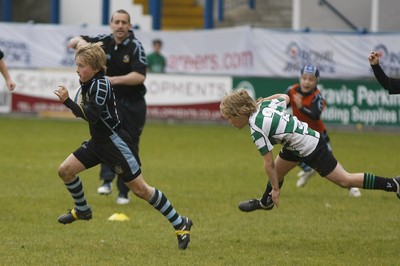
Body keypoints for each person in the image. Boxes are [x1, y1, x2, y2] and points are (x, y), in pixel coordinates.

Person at [53, 43, 192, 250]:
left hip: (115, 143)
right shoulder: (87, 81)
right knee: (65, 170)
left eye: (81, 65)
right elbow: (87, 112)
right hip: (98, 142)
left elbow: (91, 115)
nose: (77, 69)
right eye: (77, 65)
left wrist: (67, 102)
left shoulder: (100, 84)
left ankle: (180, 222)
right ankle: (82, 210)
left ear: (95, 66)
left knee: (141, 190)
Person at [219, 89, 400, 212]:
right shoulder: (264, 107)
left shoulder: (256, 128)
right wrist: (261, 101)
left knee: (345, 180)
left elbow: (268, 163)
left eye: (229, 118)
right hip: (296, 143)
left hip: (311, 148)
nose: (229, 122)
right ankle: (266, 203)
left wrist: (276, 189)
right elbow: (285, 97)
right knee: (278, 171)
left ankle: (393, 184)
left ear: (240, 113)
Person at [68, 9, 147, 205]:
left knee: (128, 144)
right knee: (104, 136)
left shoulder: (136, 47)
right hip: (110, 102)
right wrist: (81, 43)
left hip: (132, 104)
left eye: (124, 22)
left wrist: (113, 80)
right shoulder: (104, 40)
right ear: (111, 25)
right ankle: (106, 181)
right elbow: (73, 41)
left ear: (129, 26)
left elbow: (140, 76)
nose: (120, 26)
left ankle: (124, 191)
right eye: (117, 22)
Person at [286, 65, 361, 197]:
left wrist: (301, 107)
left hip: (319, 136)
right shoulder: (291, 91)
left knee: (331, 162)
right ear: (300, 78)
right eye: (304, 78)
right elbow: (282, 105)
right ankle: (308, 169)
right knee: (291, 154)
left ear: (316, 81)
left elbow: (315, 115)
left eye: (311, 79)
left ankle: (352, 187)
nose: (307, 82)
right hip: (300, 133)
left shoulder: (317, 97)